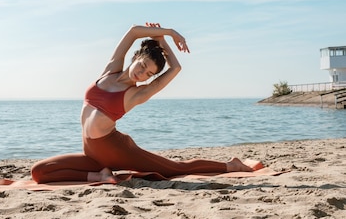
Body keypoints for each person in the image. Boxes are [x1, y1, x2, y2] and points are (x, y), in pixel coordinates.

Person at [31, 23, 253, 184]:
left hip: (119, 151)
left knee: (175, 168)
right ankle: (100, 175)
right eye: (143, 65)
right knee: (39, 172)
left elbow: (176, 69)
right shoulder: (110, 70)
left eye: (149, 73)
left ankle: (231, 164)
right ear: (136, 56)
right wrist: (168, 31)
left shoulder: (137, 94)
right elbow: (133, 32)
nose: (142, 73)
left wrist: (163, 42)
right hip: (92, 155)